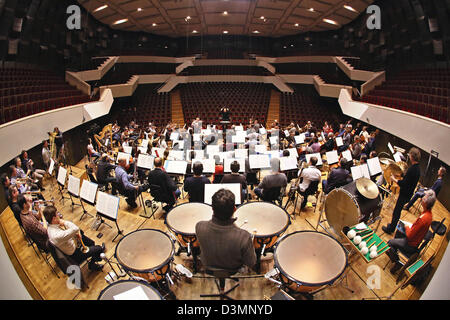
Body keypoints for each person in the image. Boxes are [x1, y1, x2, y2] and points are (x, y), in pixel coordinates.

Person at [195, 189, 256, 272]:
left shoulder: (199, 226)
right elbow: (251, 262)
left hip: (208, 266)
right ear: (235, 209)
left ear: (212, 208)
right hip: (233, 270)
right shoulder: (244, 236)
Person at [386, 189, 436, 274]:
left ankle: (398, 262)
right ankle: (397, 250)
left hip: (410, 244)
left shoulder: (423, 218)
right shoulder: (429, 215)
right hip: (415, 241)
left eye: (423, 198)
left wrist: (406, 226)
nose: (421, 198)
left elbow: (409, 235)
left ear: (425, 202)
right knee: (398, 231)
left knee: (389, 242)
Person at [43, 205, 105, 271]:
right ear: (54, 219)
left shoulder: (50, 227)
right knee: (99, 249)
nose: (58, 215)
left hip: (71, 243)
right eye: (57, 214)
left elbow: (73, 231)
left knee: (91, 242)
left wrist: (76, 234)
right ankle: (92, 265)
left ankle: (94, 254)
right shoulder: (56, 235)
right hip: (75, 254)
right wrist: (64, 222)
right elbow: (75, 228)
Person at [382, 147, 421, 235]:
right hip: (408, 194)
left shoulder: (412, 169)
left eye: (410, 155)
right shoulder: (417, 168)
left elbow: (404, 183)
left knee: (396, 211)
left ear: (412, 156)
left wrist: (394, 179)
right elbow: (409, 179)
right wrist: (402, 174)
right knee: (397, 211)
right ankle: (392, 225)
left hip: (405, 194)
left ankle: (391, 229)